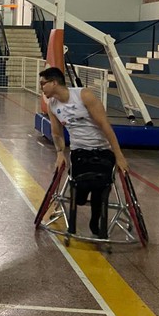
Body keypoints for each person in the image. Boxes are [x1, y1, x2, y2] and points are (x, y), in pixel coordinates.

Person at [39, 66, 128, 237]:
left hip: (102, 150)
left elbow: (105, 126)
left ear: (54, 83)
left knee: (100, 185)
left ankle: (95, 221)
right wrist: (60, 153)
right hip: (79, 152)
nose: (41, 88)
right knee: (81, 188)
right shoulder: (52, 105)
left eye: (43, 84)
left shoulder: (84, 95)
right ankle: (80, 196)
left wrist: (119, 156)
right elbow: (57, 134)